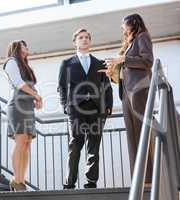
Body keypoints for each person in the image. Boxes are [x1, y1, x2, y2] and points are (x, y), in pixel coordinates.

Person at [58, 29, 113, 189]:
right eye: (81, 38)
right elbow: (61, 87)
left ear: (90, 41)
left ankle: (91, 182)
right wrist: (65, 107)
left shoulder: (100, 63)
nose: (84, 40)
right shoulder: (67, 63)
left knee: (94, 147)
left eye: (87, 37)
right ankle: (70, 182)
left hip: (97, 109)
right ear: (75, 42)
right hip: (76, 109)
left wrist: (108, 105)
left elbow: (107, 86)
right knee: (75, 145)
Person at [103, 13, 154, 185]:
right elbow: (127, 72)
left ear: (132, 23)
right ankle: (140, 179)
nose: (121, 27)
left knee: (142, 134)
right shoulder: (128, 43)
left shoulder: (142, 37)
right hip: (126, 93)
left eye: (123, 24)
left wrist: (123, 58)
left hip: (139, 92)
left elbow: (147, 61)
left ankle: (149, 179)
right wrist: (112, 73)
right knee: (132, 137)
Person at [3, 40, 42, 191]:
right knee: (20, 141)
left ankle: (21, 180)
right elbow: (19, 83)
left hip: (27, 106)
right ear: (17, 48)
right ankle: (16, 179)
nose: (27, 47)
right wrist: (36, 96)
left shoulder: (26, 66)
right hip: (17, 105)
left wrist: (36, 97)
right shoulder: (11, 62)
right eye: (24, 45)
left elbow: (31, 86)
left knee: (27, 142)